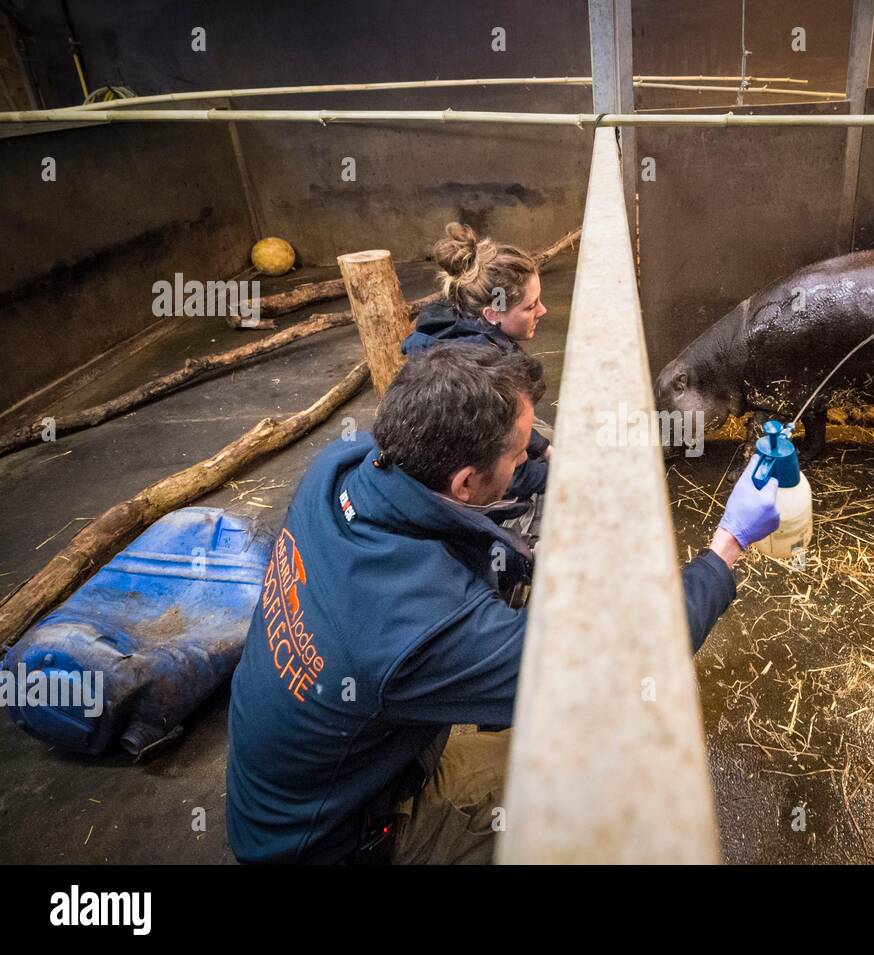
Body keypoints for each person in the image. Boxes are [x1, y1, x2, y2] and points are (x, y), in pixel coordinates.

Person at [225, 342, 780, 864]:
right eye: (518, 455)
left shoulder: (343, 467)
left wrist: (562, 471)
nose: (527, 460)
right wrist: (727, 545)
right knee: (608, 780)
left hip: (300, 780)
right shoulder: (419, 626)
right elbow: (632, 653)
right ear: (465, 481)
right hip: (325, 839)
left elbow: (492, 504)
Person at [406, 222, 551, 503]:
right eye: (530, 306)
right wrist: (561, 474)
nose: (543, 310)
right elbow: (504, 477)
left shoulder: (468, 326)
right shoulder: (475, 376)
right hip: (460, 485)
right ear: (492, 313)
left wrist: (544, 447)